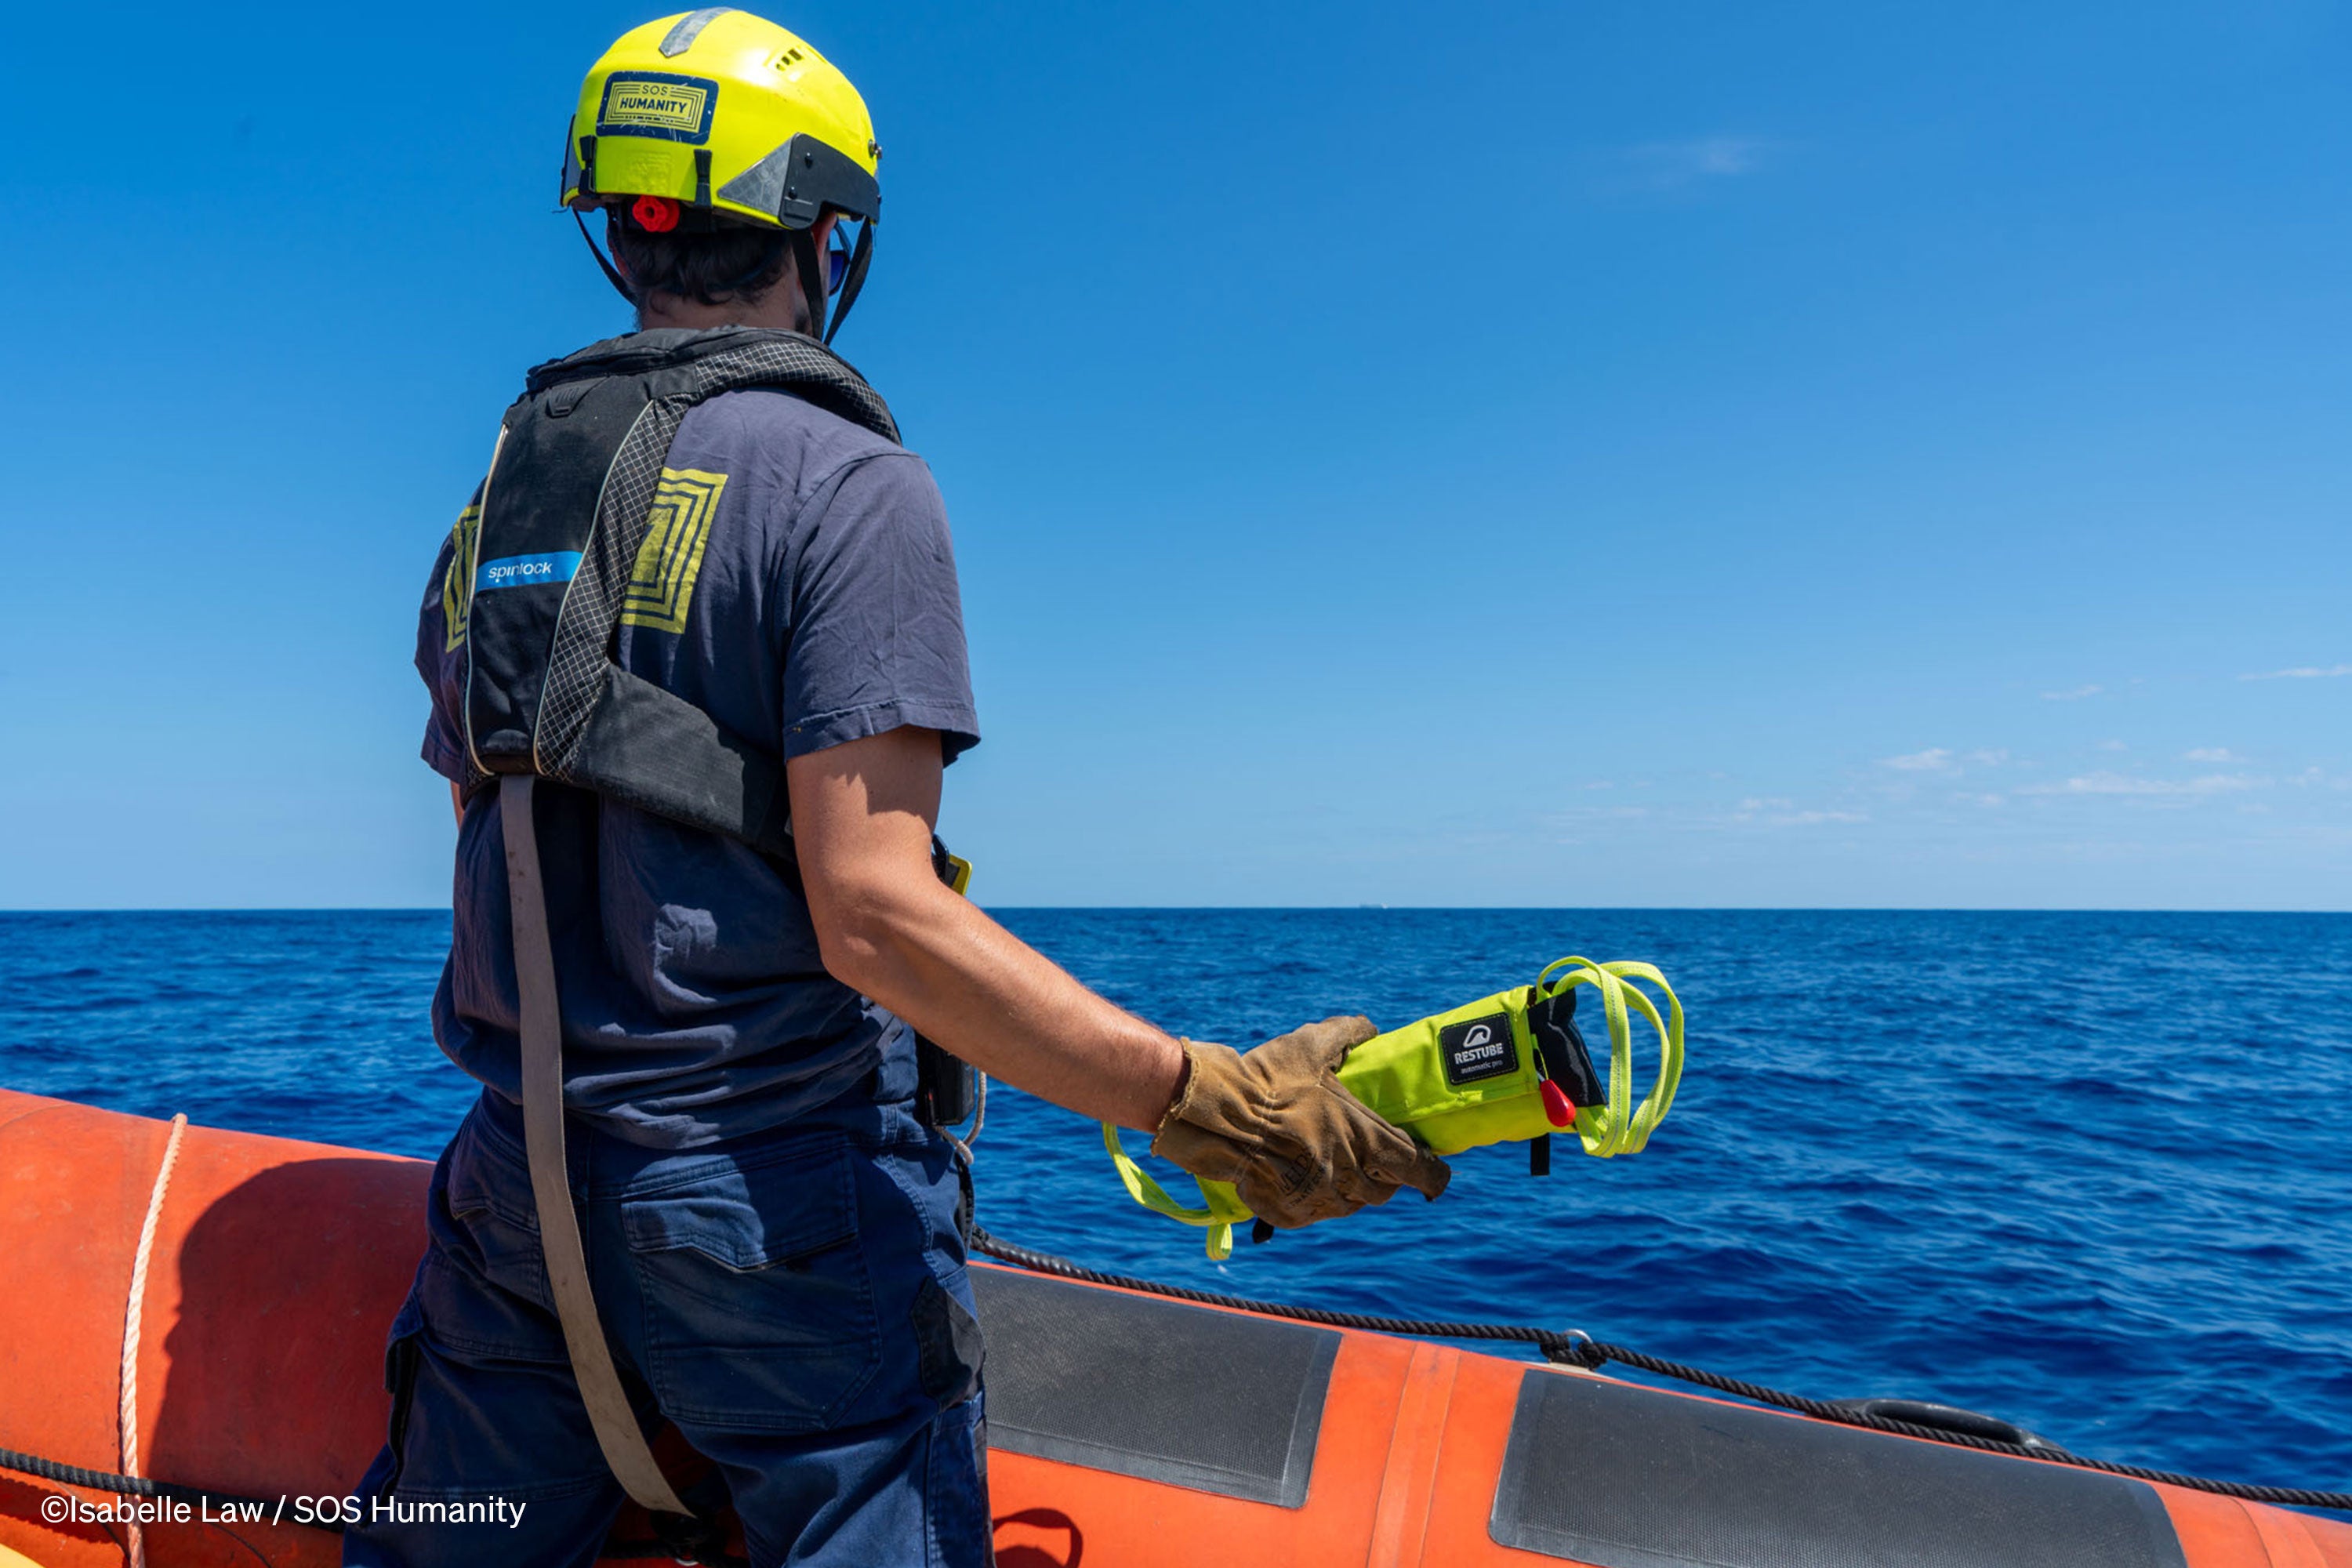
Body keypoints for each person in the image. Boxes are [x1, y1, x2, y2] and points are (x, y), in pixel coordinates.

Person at [343, 11, 1450, 1567]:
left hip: (514, 1211)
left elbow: (493, 832)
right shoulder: (847, 483)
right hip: (778, 1222)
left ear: (623, 219)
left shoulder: (492, 507)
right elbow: (873, 912)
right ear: (818, 226)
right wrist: (1203, 1101)